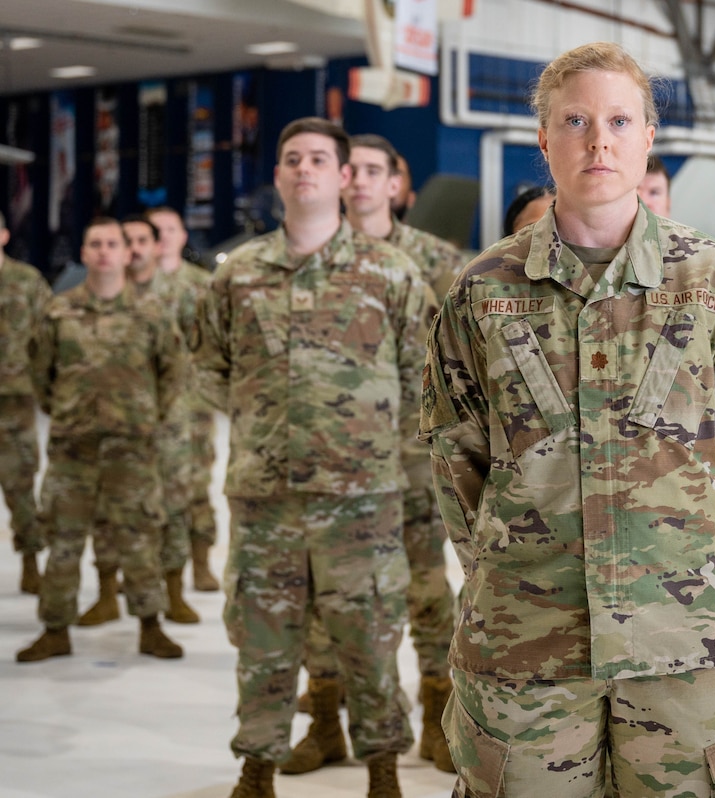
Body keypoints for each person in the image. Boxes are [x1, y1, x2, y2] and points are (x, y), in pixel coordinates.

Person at [420, 42, 715, 798]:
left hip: (684, 640)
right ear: (544, 142)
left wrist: (682, 558)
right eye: (577, 120)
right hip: (525, 640)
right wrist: (511, 564)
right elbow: (456, 458)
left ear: (648, 138)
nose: (599, 140)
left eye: (620, 120)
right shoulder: (482, 292)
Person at [191, 117, 433, 798]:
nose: (305, 169)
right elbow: (207, 366)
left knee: (371, 636)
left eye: (319, 159)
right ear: (277, 176)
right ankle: (257, 766)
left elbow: (426, 377)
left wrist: (377, 443)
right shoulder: (238, 276)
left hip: (362, 500)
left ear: (344, 176)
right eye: (292, 158)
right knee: (263, 640)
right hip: (265, 498)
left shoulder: (391, 272)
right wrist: (264, 424)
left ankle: (382, 768)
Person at [275, 132, 461, 777]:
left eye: (374, 171)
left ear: (394, 186)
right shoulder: (309, 255)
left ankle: (440, 714)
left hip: (412, 460)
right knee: (320, 593)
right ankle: (327, 721)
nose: (357, 182)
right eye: (351, 170)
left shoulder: (436, 261)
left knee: (426, 589)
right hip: (330, 466)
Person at [17, 217, 186, 663]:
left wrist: (148, 415)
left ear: (126, 252)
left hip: (132, 449)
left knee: (140, 538)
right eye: (96, 244)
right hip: (74, 450)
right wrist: (67, 412)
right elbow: (40, 373)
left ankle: (151, 626)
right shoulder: (59, 312)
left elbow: (172, 371)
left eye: (113, 243)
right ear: (86, 253)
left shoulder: (150, 313)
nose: (106, 251)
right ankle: (55, 628)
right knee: (64, 540)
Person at [77, 214, 201, 628]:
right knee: (108, 509)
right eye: (125, 240)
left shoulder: (176, 293)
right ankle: (108, 594)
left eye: (141, 239)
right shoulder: (106, 292)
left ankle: (174, 592)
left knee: (173, 506)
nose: (133, 248)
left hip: (168, 420)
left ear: (154, 245)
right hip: (112, 423)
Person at [146, 205, 220, 593]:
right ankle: (151, 565)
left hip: (193, 402)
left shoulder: (201, 284)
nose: (163, 238)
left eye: (170, 229)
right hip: (150, 402)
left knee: (196, 481)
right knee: (149, 483)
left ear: (183, 236)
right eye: (155, 231)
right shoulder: (137, 284)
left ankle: (201, 560)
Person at [0, 210, 52, 595]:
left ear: (3, 235)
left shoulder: (26, 281)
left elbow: (49, 334)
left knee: (19, 485)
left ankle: (31, 560)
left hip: (14, 400)